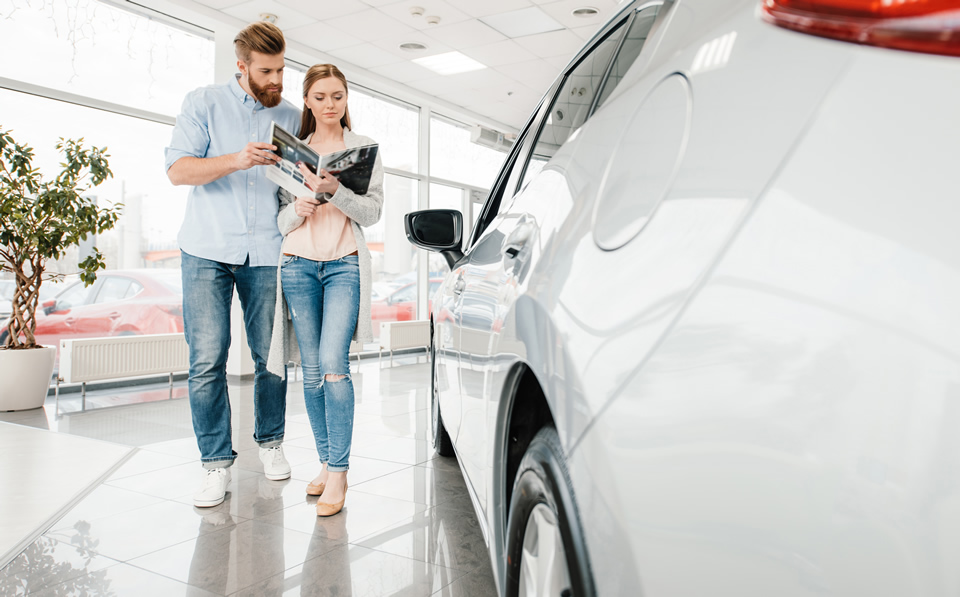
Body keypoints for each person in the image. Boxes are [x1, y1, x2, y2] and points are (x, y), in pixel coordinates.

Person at [165, 21, 301, 508]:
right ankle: (215, 465)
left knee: (272, 357)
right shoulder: (203, 103)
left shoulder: (290, 114)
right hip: (206, 248)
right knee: (207, 359)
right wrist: (236, 160)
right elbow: (179, 169)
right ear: (241, 67)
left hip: (267, 248)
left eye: (282, 69)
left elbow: (298, 184)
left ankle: (271, 444)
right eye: (267, 71)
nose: (277, 80)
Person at [265, 63, 384, 517]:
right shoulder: (292, 152)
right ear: (308, 101)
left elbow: (371, 214)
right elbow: (280, 223)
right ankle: (325, 464)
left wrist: (335, 192)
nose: (329, 104)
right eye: (320, 97)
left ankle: (339, 472)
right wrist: (297, 207)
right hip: (297, 265)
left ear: (346, 98)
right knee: (311, 371)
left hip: (343, 267)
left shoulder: (363, 149)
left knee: (335, 366)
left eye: (337, 96)